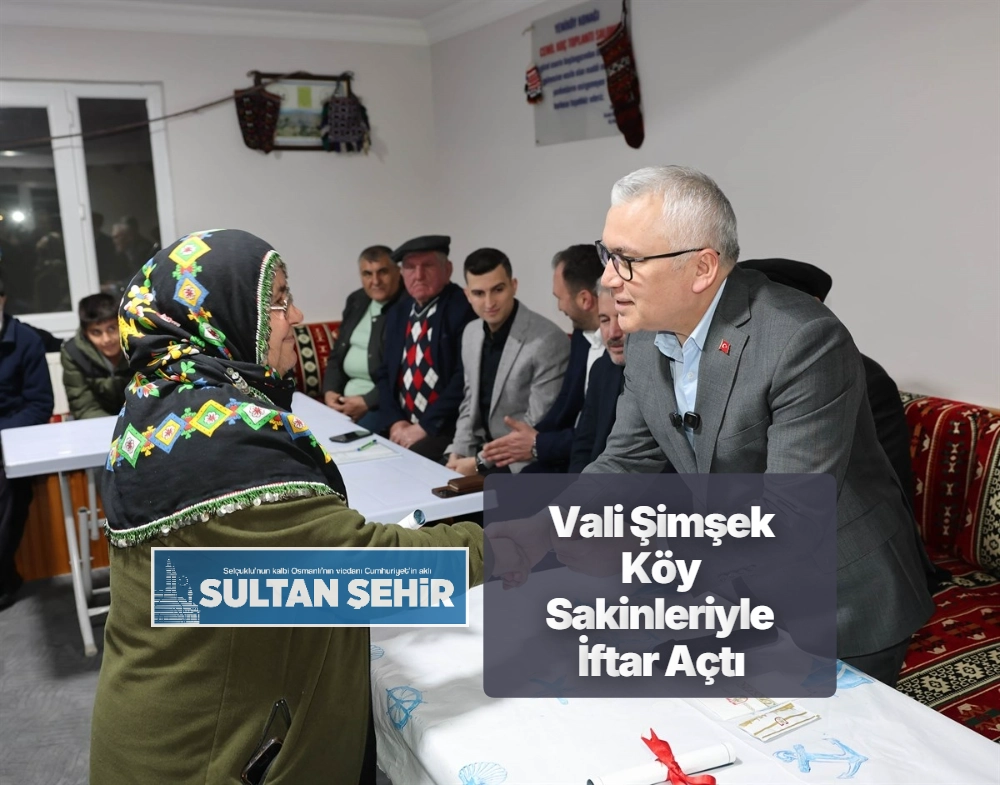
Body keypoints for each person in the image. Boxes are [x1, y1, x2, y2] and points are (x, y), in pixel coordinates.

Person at [89, 230, 509, 784]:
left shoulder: (164, 405)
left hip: (180, 727)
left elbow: (243, 579)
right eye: (279, 299)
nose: (297, 316)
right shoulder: (221, 444)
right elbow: (378, 571)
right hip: (207, 757)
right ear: (223, 315)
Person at [492, 166, 933, 686]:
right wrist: (546, 528)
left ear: (701, 267)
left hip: (844, 598)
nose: (608, 278)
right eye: (608, 254)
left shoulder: (803, 340)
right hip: (744, 587)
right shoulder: (644, 336)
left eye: (628, 260)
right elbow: (625, 461)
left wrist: (641, 552)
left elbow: (792, 517)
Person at [445, 248, 570, 476]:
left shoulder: (547, 340)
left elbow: (537, 421)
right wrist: (458, 452)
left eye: (498, 290)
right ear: (467, 295)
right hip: (479, 450)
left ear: (514, 285)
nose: (489, 302)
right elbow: (469, 402)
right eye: (479, 293)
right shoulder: (471, 332)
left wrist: (479, 463)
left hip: (520, 460)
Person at [481, 244, 604, 472]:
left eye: (559, 298)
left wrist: (539, 444)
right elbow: (564, 407)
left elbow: (603, 434)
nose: (559, 307)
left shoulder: (622, 349)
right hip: (566, 453)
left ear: (584, 300)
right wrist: (530, 438)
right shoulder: (581, 335)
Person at [375, 235, 476, 459]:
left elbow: (464, 379)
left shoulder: (463, 309)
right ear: (402, 274)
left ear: (448, 270)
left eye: (428, 266)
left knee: (406, 462)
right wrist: (395, 422)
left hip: (443, 427)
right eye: (411, 267)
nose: (418, 275)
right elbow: (384, 373)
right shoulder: (398, 312)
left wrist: (424, 427)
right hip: (402, 424)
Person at [0, 276, 55, 609]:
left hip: (12, 441)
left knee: (8, 493)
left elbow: (40, 404)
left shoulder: (26, 340)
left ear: (3, 299)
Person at [323, 245, 403, 431]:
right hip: (345, 398)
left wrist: (367, 401)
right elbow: (337, 354)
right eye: (367, 274)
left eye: (383, 272)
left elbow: (401, 371)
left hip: (383, 402)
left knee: (349, 438)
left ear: (398, 272)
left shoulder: (407, 306)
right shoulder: (357, 300)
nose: (375, 281)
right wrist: (330, 392)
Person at [568, 286, 626, 473]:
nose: (613, 333)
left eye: (622, 317)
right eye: (605, 320)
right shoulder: (600, 369)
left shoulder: (663, 373)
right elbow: (583, 445)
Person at [61, 293, 131, 419]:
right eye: (96, 332)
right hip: (97, 422)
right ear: (86, 334)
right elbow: (83, 406)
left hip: (138, 419)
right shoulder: (73, 353)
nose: (106, 339)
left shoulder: (137, 345)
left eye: (111, 329)